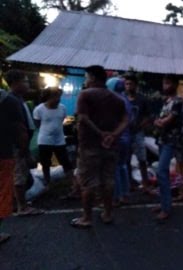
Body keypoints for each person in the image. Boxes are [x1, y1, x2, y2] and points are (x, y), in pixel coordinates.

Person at [70, 65, 128, 228]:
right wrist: (113, 135)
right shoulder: (117, 98)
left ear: (93, 78)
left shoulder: (85, 94)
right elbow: (125, 120)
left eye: (87, 77)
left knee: (88, 182)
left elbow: (82, 118)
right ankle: (108, 213)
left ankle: (87, 217)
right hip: (110, 146)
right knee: (108, 180)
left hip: (90, 145)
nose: (86, 81)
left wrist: (100, 133)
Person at [5, 69, 44, 216]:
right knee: (19, 176)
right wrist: (25, 151)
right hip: (17, 146)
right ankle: (22, 206)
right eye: (25, 81)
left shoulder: (18, 99)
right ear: (16, 83)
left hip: (18, 144)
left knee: (19, 175)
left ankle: (17, 203)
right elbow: (19, 128)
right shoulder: (12, 101)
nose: (28, 84)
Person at [152, 74, 183, 221]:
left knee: (162, 172)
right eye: (164, 83)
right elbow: (160, 120)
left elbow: (166, 121)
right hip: (162, 139)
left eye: (168, 83)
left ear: (176, 85)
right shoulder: (166, 102)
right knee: (161, 173)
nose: (165, 86)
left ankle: (166, 208)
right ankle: (164, 203)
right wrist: (159, 122)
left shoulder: (177, 102)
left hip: (171, 141)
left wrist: (160, 122)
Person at [0, 88, 28, 244]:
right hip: (4, 154)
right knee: (3, 192)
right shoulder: (9, 101)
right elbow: (20, 128)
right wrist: (24, 150)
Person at [33, 87, 74, 188]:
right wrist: (48, 132)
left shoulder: (62, 108)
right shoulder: (39, 109)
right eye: (55, 96)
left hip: (59, 140)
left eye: (59, 96)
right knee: (45, 162)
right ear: (48, 97)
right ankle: (47, 181)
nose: (58, 99)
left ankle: (72, 183)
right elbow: (37, 124)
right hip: (44, 140)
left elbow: (61, 120)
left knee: (65, 161)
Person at [123, 74, 152, 193]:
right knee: (126, 160)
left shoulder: (142, 99)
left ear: (136, 85)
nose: (128, 86)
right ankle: (129, 185)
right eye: (127, 84)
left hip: (138, 133)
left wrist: (140, 126)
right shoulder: (122, 99)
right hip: (125, 134)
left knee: (142, 159)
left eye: (131, 84)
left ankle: (145, 185)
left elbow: (148, 116)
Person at [106, 77, 133, 207]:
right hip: (126, 137)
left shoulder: (113, 100)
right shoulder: (126, 99)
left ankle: (115, 197)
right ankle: (125, 195)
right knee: (122, 166)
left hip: (117, 137)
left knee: (114, 168)